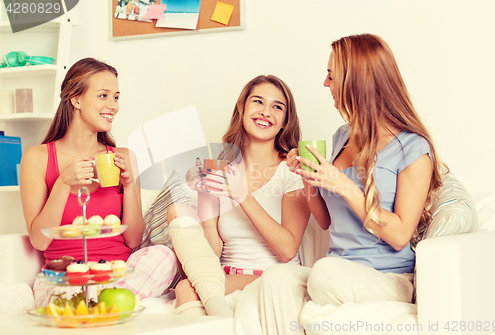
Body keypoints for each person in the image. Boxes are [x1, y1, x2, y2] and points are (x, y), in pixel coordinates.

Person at [258, 34, 447, 334]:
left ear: (355, 81)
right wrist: (309, 178)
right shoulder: (342, 136)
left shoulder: (412, 148)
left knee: (323, 274)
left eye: (331, 75)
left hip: (387, 278)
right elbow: (325, 220)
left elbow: (399, 235)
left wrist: (341, 184)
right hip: (338, 270)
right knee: (275, 279)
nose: (325, 83)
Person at [20, 57, 177, 307]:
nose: (113, 105)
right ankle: (106, 304)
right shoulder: (37, 158)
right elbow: (39, 241)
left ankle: (98, 304)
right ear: (76, 99)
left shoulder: (122, 157)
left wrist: (128, 186)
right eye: (103, 96)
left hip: (116, 272)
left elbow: (134, 240)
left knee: (164, 255)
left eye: (116, 97)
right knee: (73, 293)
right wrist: (62, 184)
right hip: (65, 275)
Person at [167, 75, 311, 317]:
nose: (266, 112)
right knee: (177, 211)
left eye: (277, 107)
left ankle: (215, 309)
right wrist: (205, 198)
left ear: (285, 122)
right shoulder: (221, 171)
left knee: (186, 290)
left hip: (273, 279)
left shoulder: (292, 171)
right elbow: (210, 254)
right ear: (242, 109)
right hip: (222, 278)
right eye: (258, 102)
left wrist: (241, 194)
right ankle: (218, 310)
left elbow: (287, 250)